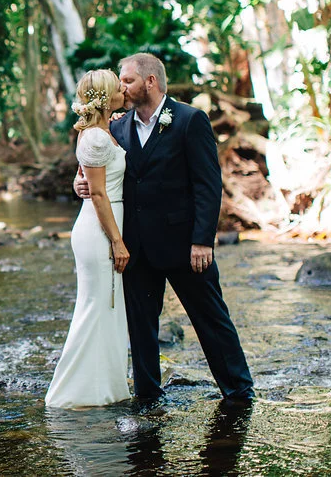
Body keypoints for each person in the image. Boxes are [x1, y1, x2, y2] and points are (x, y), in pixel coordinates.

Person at [74, 53, 254, 402]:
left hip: (184, 245)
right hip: (134, 246)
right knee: (141, 327)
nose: (121, 88)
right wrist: (79, 187)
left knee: (211, 319)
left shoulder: (189, 120)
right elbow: (96, 173)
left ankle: (239, 391)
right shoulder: (117, 127)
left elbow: (208, 184)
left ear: (150, 82)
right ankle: (148, 397)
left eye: (127, 81)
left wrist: (203, 240)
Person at [46, 69, 131, 409]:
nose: (123, 90)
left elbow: (85, 180)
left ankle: (105, 388)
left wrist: (76, 183)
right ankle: (75, 393)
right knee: (98, 305)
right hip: (100, 230)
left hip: (104, 224)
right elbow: (96, 193)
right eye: (118, 87)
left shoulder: (104, 131)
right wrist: (117, 241)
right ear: (106, 97)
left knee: (106, 307)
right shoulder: (95, 137)